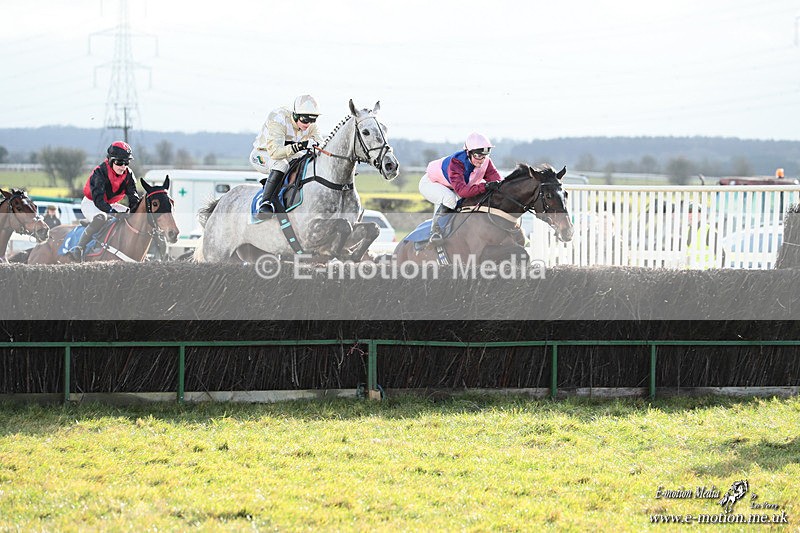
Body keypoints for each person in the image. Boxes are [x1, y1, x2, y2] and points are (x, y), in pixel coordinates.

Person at [418, 132, 502, 243]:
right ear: (468, 152)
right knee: (450, 199)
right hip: (431, 183)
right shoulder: (456, 163)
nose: (481, 160)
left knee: (468, 203)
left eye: (484, 155)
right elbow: (463, 192)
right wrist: (485, 186)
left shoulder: (486, 162)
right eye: (478, 155)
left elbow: (498, 181)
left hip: (452, 187)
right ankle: (436, 232)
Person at [250, 94, 323, 219]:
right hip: (263, 154)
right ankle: (265, 203)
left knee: (305, 162)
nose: (309, 124)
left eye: (313, 120)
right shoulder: (278, 118)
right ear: (295, 115)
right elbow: (276, 153)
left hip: (287, 154)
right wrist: (301, 146)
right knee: (281, 164)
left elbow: (321, 147)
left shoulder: (311, 126)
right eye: (305, 120)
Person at [68, 141, 141, 261]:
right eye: (119, 162)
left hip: (111, 204)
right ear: (111, 161)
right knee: (101, 217)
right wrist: (112, 212)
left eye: (126, 163)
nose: (123, 167)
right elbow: (99, 201)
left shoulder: (129, 175)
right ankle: (79, 248)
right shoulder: (100, 173)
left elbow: (133, 197)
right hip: (92, 203)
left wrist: (133, 210)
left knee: (132, 215)